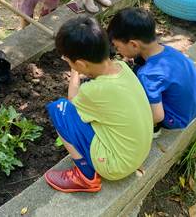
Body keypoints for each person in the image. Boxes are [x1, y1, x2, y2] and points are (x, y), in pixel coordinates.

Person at [45, 16, 153, 192]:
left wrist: (74, 73)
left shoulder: (93, 91)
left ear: (80, 63)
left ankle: (85, 176)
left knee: (59, 109)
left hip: (116, 165)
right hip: (138, 152)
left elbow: (71, 104)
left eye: (69, 60)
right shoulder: (121, 67)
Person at [107, 7, 196, 135]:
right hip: (192, 105)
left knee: (127, 102)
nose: (117, 51)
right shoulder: (167, 50)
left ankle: (154, 130)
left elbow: (157, 116)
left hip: (176, 119)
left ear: (134, 45)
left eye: (118, 46)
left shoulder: (148, 75)